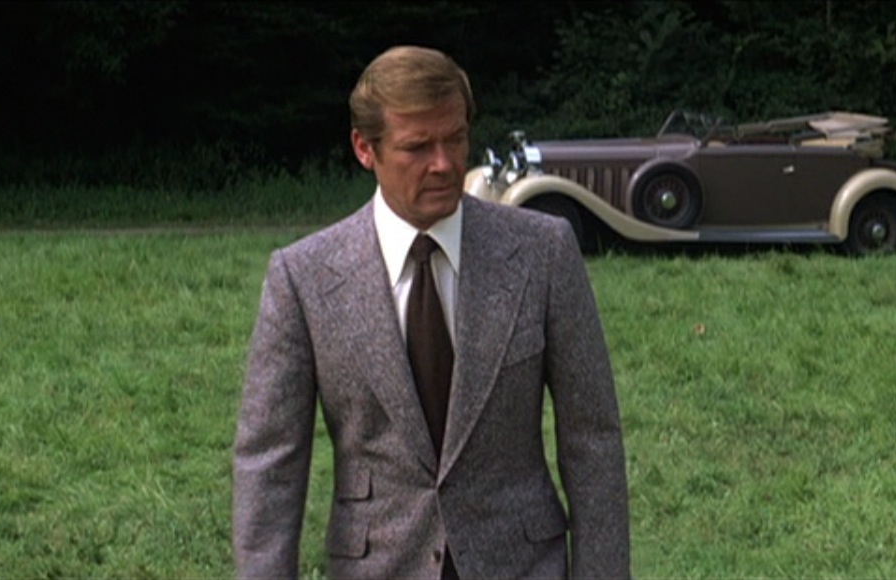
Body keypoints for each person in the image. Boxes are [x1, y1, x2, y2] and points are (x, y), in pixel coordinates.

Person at [231, 45, 631, 579]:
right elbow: (269, 465)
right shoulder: (304, 278)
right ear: (364, 148)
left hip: (522, 564)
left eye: (455, 139)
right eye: (417, 147)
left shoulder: (543, 252)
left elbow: (592, 439)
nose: (444, 164)